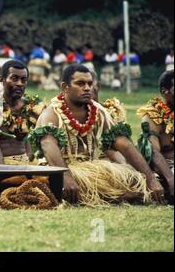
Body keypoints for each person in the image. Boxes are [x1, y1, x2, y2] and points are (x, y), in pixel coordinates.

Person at [29, 64, 164, 206]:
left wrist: (150, 179)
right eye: (80, 83)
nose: (87, 88)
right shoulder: (51, 114)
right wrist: (67, 178)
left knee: (135, 178)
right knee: (65, 184)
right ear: (65, 87)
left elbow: (123, 143)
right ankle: (117, 196)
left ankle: (115, 195)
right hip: (60, 169)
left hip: (93, 167)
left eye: (89, 83)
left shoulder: (98, 111)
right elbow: (47, 145)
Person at [0, 60, 45, 166]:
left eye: (23, 80)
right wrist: (4, 173)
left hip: (22, 162)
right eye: (14, 78)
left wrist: (30, 161)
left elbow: (29, 138)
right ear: (2, 79)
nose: (19, 83)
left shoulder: (30, 107)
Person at [137, 70, 174, 204]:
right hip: (167, 170)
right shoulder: (152, 115)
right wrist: (170, 179)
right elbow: (153, 151)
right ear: (165, 91)